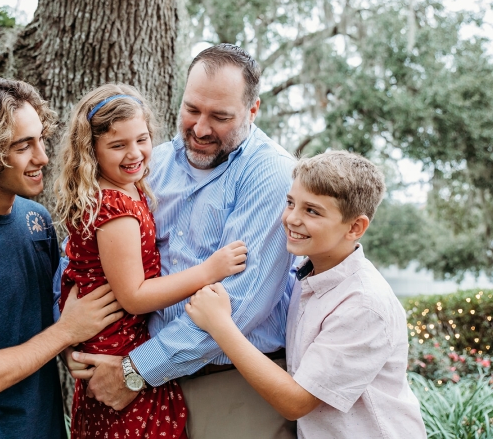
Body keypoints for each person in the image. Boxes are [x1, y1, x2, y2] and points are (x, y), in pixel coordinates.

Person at [70, 44, 297, 438]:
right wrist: (71, 334)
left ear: (253, 110)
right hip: (146, 387)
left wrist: (136, 370)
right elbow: (88, 253)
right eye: (192, 109)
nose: (201, 128)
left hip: (230, 388)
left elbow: (239, 304)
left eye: (220, 117)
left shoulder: (271, 173)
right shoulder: (149, 163)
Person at [0, 77, 124, 439]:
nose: (42, 157)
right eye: (23, 146)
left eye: (40, 139)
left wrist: (81, 352)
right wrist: (66, 332)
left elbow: (50, 319)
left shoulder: (36, 220)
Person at [187, 150, 427, 438]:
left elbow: (296, 402)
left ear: (355, 227)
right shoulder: (307, 272)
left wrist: (219, 324)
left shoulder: (363, 305)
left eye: (312, 211)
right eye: (290, 203)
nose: (291, 218)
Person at [54, 83, 248, 439]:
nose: (134, 153)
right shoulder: (115, 207)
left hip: (114, 342)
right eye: (117, 145)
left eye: (142, 139)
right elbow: (135, 296)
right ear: (91, 150)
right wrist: (208, 271)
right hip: (117, 348)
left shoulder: (124, 188)